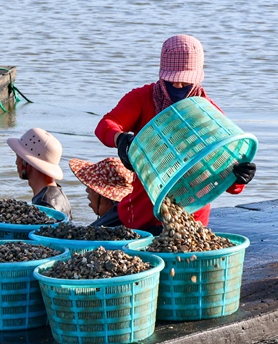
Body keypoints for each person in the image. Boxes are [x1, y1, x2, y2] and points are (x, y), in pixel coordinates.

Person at [94, 34, 255, 233]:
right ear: (162, 75)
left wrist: (239, 178)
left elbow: (226, 181)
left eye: (185, 82)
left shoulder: (210, 116)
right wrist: (120, 139)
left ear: (197, 78)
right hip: (141, 215)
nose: (178, 86)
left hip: (190, 219)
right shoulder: (143, 99)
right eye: (172, 81)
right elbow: (105, 125)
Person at [7, 127, 73, 219]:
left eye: (18, 157)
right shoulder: (57, 193)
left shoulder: (44, 205)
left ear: (27, 162)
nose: (16, 162)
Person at [68, 157, 135, 227]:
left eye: (92, 187)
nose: (87, 190)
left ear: (105, 196)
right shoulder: (130, 215)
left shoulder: (104, 228)